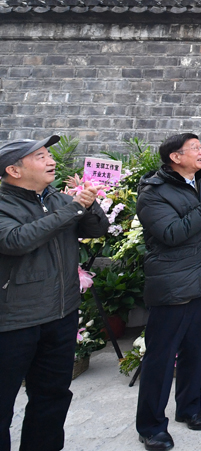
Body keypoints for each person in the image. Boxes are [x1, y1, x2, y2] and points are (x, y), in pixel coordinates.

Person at [0, 135, 109, 451]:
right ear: (14, 170)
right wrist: (73, 207)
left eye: (49, 154)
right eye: (40, 156)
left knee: (52, 396)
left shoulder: (58, 199)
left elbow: (95, 230)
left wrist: (89, 203)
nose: (51, 161)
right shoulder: (5, 204)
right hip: (14, 322)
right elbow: (17, 240)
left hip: (60, 314)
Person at [134, 134, 201, 451]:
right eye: (195, 148)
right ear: (175, 157)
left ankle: (189, 409)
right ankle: (151, 426)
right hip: (173, 284)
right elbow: (172, 232)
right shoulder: (153, 193)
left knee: (197, 351)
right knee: (161, 358)